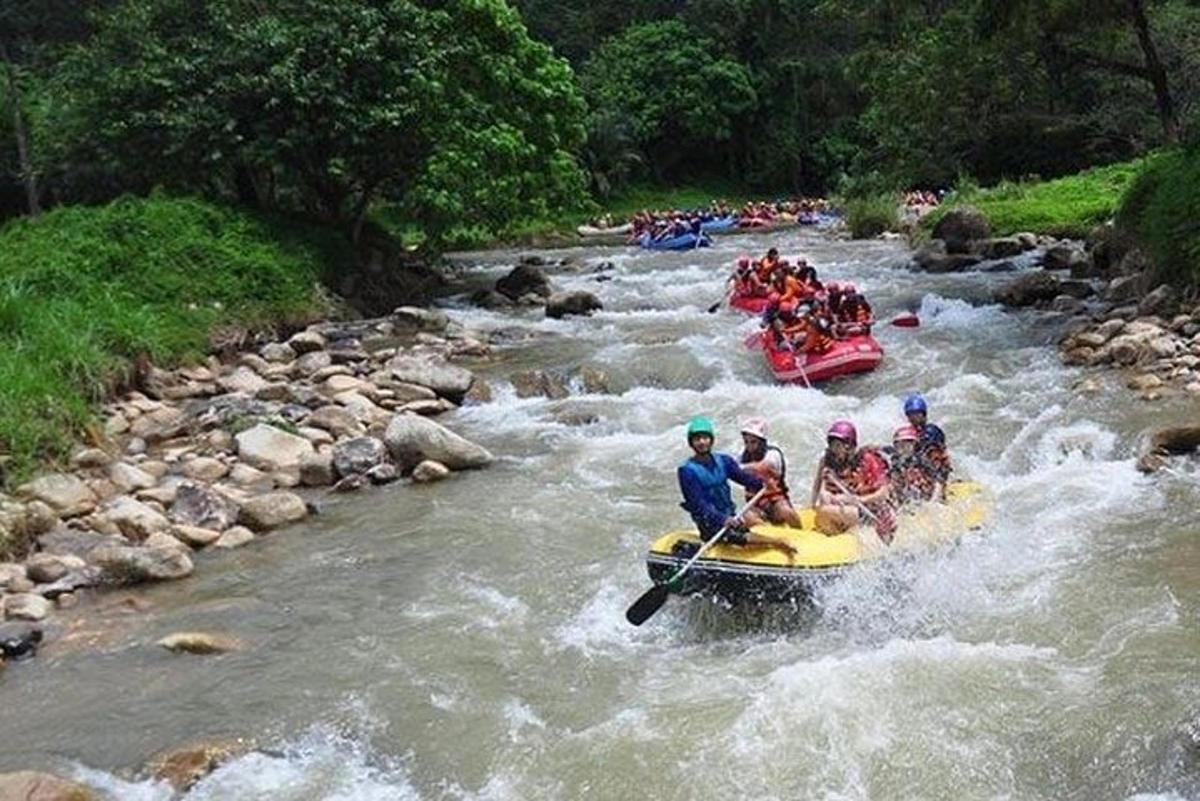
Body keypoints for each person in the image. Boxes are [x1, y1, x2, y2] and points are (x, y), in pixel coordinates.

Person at [677, 417, 797, 556]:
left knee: (740, 529)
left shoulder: (723, 460)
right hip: (709, 521)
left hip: (730, 516)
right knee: (736, 536)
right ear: (691, 443)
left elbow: (743, 478)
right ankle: (779, 542)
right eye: (697, 439)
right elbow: (698, 504)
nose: (702, 442)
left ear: (711, 440)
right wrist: (722, 519)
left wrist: (761, 483)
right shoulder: (687, 471)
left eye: (705, 438)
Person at [809, 421, 896, 541]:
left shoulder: (867, 460)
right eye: (832, 445)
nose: (834, 450)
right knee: (824, 504)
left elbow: (884, 493)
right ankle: (839, 537)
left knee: (824, 512)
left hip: (870, 512)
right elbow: (818, 487)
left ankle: (843, 537)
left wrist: (858, 500)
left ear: (849, 446)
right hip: (847, 509)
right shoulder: (827, 461)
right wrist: (818, 500)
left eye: (838, 446)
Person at [738, 417, 804, 527]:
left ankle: (801, 534)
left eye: (753, 442)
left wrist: (742, 468)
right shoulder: (742, 457)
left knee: (785, 511)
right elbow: (735, 469)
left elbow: (763, 466)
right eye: (746, 442)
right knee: (747, 516)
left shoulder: (773, 454)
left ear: (762, 441)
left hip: (776, 502)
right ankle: (770, 535)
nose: (749, 446)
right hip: (757, 504)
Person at [903, 394, 952, 495]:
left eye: (917, 414)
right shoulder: (910, 433)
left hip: (936, 465)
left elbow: (936, 454)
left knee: (933, 465)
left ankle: (939, 492)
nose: (913, 418)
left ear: (924, 414)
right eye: (910, 415)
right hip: (923, 467)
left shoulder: (931, 431)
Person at [885, 425, 942, 503]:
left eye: (907, 444)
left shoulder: (921, 460)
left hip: (926, 495)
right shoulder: (895, 460)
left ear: (914, 445)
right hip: (907, 494)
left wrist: (933, 501)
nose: (904, 448)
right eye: (900, 445)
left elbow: (938, 481)